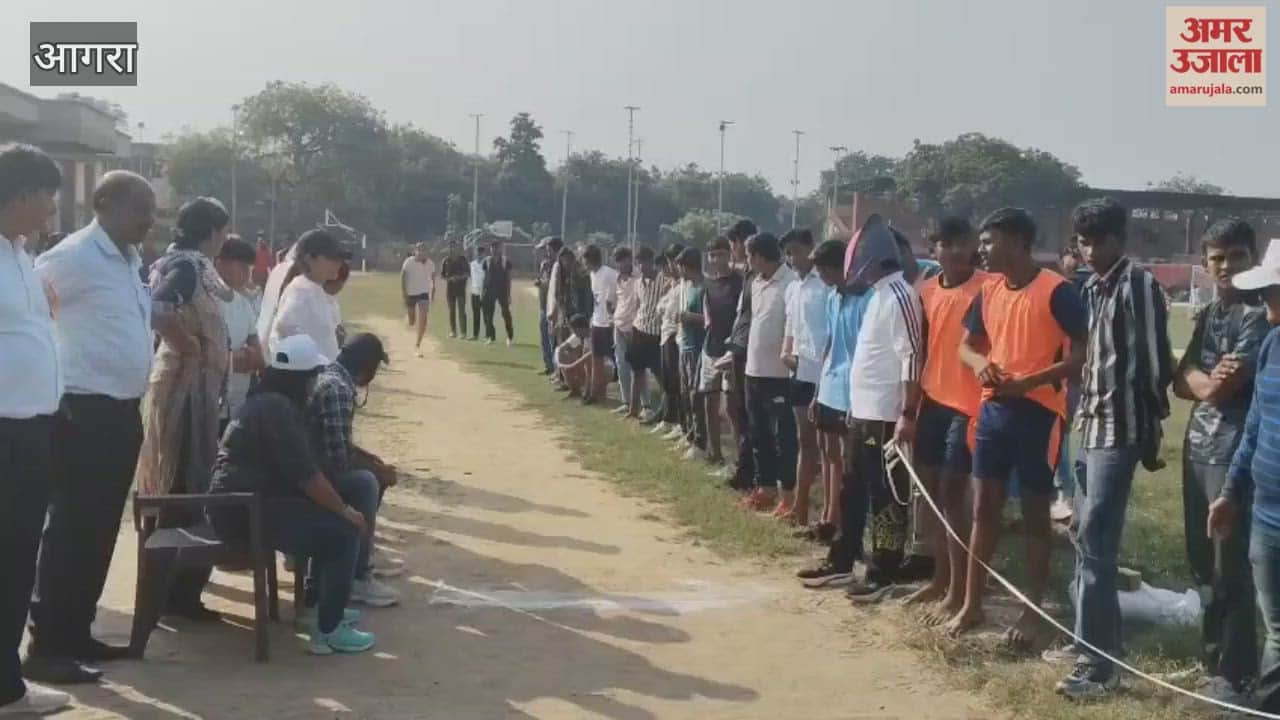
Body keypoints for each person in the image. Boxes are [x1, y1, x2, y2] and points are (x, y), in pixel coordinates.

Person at [26, 171, 157, 686]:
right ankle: (47, 646)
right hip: (83, 411)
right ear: (104, 204)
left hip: (122, 411)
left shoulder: (128, 260)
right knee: (70, 532)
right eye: (138, 208)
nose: (148, 218)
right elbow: (27, 309)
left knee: (100, 531)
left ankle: (76, 631)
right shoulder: (74, 257)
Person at [945, 209, 1087, 651]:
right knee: (983, 508)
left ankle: (1033, 612)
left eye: (989, 241)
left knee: (1034, 516)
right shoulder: (988, 293)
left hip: (1039, 415)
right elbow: (965, 346)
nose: (981, 249)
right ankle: (971, 603)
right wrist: (982, 364)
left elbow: (1083, 357)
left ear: (1019, 242)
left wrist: (1028, 382)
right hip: (993, 415)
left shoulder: (1057, 291)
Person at [1057, 198, 1173, 699]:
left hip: (1120, 432)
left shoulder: (1138, 285)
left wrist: (1150, 432)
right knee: (1084, 539)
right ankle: (1097, 645)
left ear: (1118, 239)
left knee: (1097, 547)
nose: (1089, 249)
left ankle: (1098, 666)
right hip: (1091, 427)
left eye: (1098, 240)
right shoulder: (1095, 288)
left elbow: (1152, 365)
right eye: (1082, 241)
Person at [208, 334, 377, 655]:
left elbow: (310, 465)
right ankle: (328, 631)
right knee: (342, 531)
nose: (316, 382)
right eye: (312, 375)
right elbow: (307, 477)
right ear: (300, 378)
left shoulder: (275, 401)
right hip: (243, 513)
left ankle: (323, 607)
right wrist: (345, 511)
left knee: (351, 496)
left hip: (256, 503)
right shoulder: (277, 410)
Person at [1172, 218, 1266, 704]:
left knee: (1231, 565)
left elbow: (1228, 384)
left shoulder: (1260, 314)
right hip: (1198, 447)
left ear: (1254, 257)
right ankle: (1213, 662)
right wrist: (1205, 382)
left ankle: (1236, 672)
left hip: (1234, 454)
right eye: (1217, 258)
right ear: (1205, 263)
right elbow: (1182, 376)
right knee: (1200, 560)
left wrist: (1203, 382)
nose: (1226, 267)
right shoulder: (1208, 312)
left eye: (1236, 256)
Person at [134, 197, 235, 622]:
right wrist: (188, 345)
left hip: (197, 391)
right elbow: (158, 309)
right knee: (182, 489)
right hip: (182, 392)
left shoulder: (194, 266)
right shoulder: (186, 266)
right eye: (222, 232)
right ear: (212, 232)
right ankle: (172, 596)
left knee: (188, 486)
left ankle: (176, 593)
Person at [0, 144, 71, 715]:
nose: (52, 209)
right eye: (48, 197)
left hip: (32, 431)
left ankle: (8, 683)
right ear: (21, 195)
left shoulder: (22, 255)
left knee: (18, 557)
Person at [901, 217, 987, 614]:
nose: (953, 251)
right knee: (931, 495)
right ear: (933, 248)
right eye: (944, 243)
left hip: (969, 406)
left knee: (956, 497)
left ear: (973, 245)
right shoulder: (927, 292)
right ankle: (939, 579)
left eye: (960, 242)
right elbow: (919, 350)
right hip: (932, 402)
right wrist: (911, 407)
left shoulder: (989, 288)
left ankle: (962, 591)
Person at [1210, 238, 1280, 713]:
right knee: (1276, 627)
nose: (1263, 300)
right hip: (1266, 518)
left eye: (1271, 290)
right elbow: (1254, 423)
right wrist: (1231, 491)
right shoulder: (1273, 343)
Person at [307, 333, 401, 607]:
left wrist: (373, 461)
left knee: (372, 473)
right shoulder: (338, 389)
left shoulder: (333, 377)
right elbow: (339, 459)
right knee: (366, 482)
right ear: (366, 368)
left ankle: (360, 559)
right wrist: (376, 470)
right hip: (315, 474)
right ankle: (357, 575)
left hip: (315, 466)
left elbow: (341, 444)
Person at [797, 239, 860, 554]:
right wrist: (818, 392)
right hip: (829, 385)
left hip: (850, 389)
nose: (819, 274)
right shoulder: (834, 298)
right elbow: (829, 345)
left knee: (844, 460)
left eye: (823, 268)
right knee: (826, 451)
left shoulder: (863, 299)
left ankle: (838, 519)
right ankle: (827, 516)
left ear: (839, 267)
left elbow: (861, 353)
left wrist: (856, 401)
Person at [738, 233, 800, 515]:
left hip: (779, 375)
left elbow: (794, 328)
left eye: (749, 256)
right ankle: (765, 487)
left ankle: (788, 495)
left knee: (783, 436)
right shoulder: (754, 283)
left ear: (761, 256)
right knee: (758, 432)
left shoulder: (790, 284)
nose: (747, 261)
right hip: (753, 370)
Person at [781, 229, 826, 525]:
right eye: (788, 253)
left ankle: (826, 513)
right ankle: (799, 506)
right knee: (804, 440)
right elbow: (791, 327)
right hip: (798, 371)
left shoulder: (824, 286)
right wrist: (786, 352)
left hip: (823, 374)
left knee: (826, 446)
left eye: (797, 251)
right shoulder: (793, 288)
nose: (792, 258)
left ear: (811, 249)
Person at [699, 236, 746, 471]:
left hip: (730, 351)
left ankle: (740, 459)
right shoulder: (707, 284)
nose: (716, 259)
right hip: (710, 348)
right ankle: (714, 452)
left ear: (729, 255)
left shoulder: (740, 282)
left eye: (720, 254)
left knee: (731, 408)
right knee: (709, 401)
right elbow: (706, 312)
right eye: (712, 255)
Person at [269, 229, 351, 361]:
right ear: (309, 258)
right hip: (306, 377)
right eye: (332, 258)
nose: (338, 264)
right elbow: (287, 329)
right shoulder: (301, 291)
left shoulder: (317, 291)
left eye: (340, 259)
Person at [723, 219, 759, 490]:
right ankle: (743, 466)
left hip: (751, 351)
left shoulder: (758, 276)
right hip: (738, 345)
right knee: (737, 409)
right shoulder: (747, 274)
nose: (733, 251)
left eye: (733, 245)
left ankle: (749, 472)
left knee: (748, 412)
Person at [216, 237, 265, 432]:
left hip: (238, 401)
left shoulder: (243, 304)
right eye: (242, 267)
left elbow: (257, 354)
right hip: (209, 403)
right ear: (220, 264)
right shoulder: (206, 302)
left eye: (249, 268)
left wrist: (247, 357)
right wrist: (234, 359)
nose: (247, 274)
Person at [627, 246, 666, 424]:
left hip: (656, 335)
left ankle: (665, 413)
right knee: (637, 372)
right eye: (638, 262)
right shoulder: (637, 283)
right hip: (639, 331)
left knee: (660, 376)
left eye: (644, 262)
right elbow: (639, 306)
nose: (641, 266)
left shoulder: (664, 282)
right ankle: (633, 410)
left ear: (652, 261)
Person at [656, 245, 687, 439]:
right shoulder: (671, 284)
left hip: (676, 337)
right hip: (665, 334)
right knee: (668, 381)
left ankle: (679, 422)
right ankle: (668, 418)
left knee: (677, 383)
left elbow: (674, 312)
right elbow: (661, 308)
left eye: (672, 262)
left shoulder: (685, 285)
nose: (670, 266)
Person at [582, 244, 619, 405]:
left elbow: (620, 294)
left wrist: (614, 317)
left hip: (610, 324)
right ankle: (594, 392)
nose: (584, 264)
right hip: (597, 322)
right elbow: (596, 299)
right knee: (595, 359)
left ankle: (625, 395)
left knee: (615, 360)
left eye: (586, 261)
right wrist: (592, 319)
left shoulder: (610, 274)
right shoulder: (592, 275)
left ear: (592, 259)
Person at [612, 246, 642, 417]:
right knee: (621, 364)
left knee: (637, 367)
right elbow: (618, 301)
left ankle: (644, 405)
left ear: (629, 259)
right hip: (619, 325)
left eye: (623, 260)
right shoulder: (617, 278)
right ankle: (626, 401)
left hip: (634, 327)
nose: (621, 264)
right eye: (618, 261)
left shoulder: (638, 276)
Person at [534, 237, 564, 374]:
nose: (546, 252)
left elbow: (555, 286)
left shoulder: (560, 265)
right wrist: (539, 281)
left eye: (547, 249)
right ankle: (548, 366)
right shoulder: (545, 264)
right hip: (543, 305)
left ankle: (557, 369)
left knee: (554, 339)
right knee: (544, 337)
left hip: (554, 307)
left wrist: (543, 283)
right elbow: (542, 280)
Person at [401, 243, 436, 356]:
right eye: (419, 250)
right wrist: (404, 293)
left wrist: (433, 289)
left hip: (423, 293)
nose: (422, 252)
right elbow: (403, 277)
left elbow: (432, 279)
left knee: (423, 319)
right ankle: (409, 317)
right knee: (412, 322)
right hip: (411, 293)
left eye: (424, 250)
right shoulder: (409, 262)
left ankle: (417, 345)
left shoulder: (430, 263)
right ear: (415, 251)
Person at [482, 240, 514, 345]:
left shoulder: (505, 261)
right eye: (492, 247)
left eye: (496, 247)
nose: (494, 250)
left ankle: (509, 336)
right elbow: (485, 277)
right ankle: (491, 336)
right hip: (489, 291)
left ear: (500, 249)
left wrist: (509, 295)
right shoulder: (486, 261)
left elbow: (508, 279)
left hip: (502, 291)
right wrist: (483, 291)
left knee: (506, 313)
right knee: (488, 315)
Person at [555, 314, 594, 397]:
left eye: (574, 330)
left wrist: (572, 365)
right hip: (586, 366)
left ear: (581, 328)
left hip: (602, 368)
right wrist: (560, 364)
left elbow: (590, 356)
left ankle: (591, 391)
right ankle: (575, 390)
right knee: (564, 356)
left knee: (588, 361)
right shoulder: (579, 336)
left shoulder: (594, 335)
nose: (574, 333)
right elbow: (560, 349)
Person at [441, 240, 470, 341]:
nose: (453, 249)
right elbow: (443, 276)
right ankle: (453, 331)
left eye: (455, 247)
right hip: (450, 290)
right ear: (449, 248)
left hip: (461, 289)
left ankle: (463, 332)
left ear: (458, 248)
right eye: (451, 247)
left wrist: (459, 277)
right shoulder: (446, 260)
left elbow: (467, 274)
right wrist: (450, 279)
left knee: (462, 311)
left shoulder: (463, 260)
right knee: (451, 311)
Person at [468, 245, 488, 340]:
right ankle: (475, 335)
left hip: (484, 292)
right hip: (474, 291)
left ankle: (488, 335)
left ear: (484, 254)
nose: (479, 255)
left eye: (481, 253)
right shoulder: (472, 264)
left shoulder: (487, 264)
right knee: (476, 314)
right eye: (478, 253)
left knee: (486, 314)